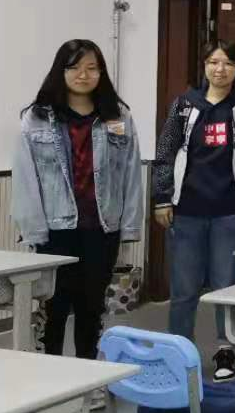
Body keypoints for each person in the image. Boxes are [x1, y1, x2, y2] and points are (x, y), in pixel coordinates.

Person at [12, 40, 143, 373]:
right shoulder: (36, 118)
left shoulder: (118, 116)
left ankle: (88, 377)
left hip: (102, 229)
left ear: (101, 72)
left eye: (92, 68)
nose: (83, 75)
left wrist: (129, 227)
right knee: (53, 310)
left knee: (91, 308)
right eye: (74, 67)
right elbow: (25, 179)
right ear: (61, 71)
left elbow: (130, 174)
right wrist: (34, 231)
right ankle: (50, 379)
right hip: (54, 231)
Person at [152, 39, 235, 380]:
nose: (220, 69)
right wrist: (162, 198)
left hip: (230, 210)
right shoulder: (184, 105)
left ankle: (226, 351)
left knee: (227, 286)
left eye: (228, 63)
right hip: (187, 211)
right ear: (205, 66)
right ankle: (179, 351)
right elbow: (165, 152)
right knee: (184, 289)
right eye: (213, 62)